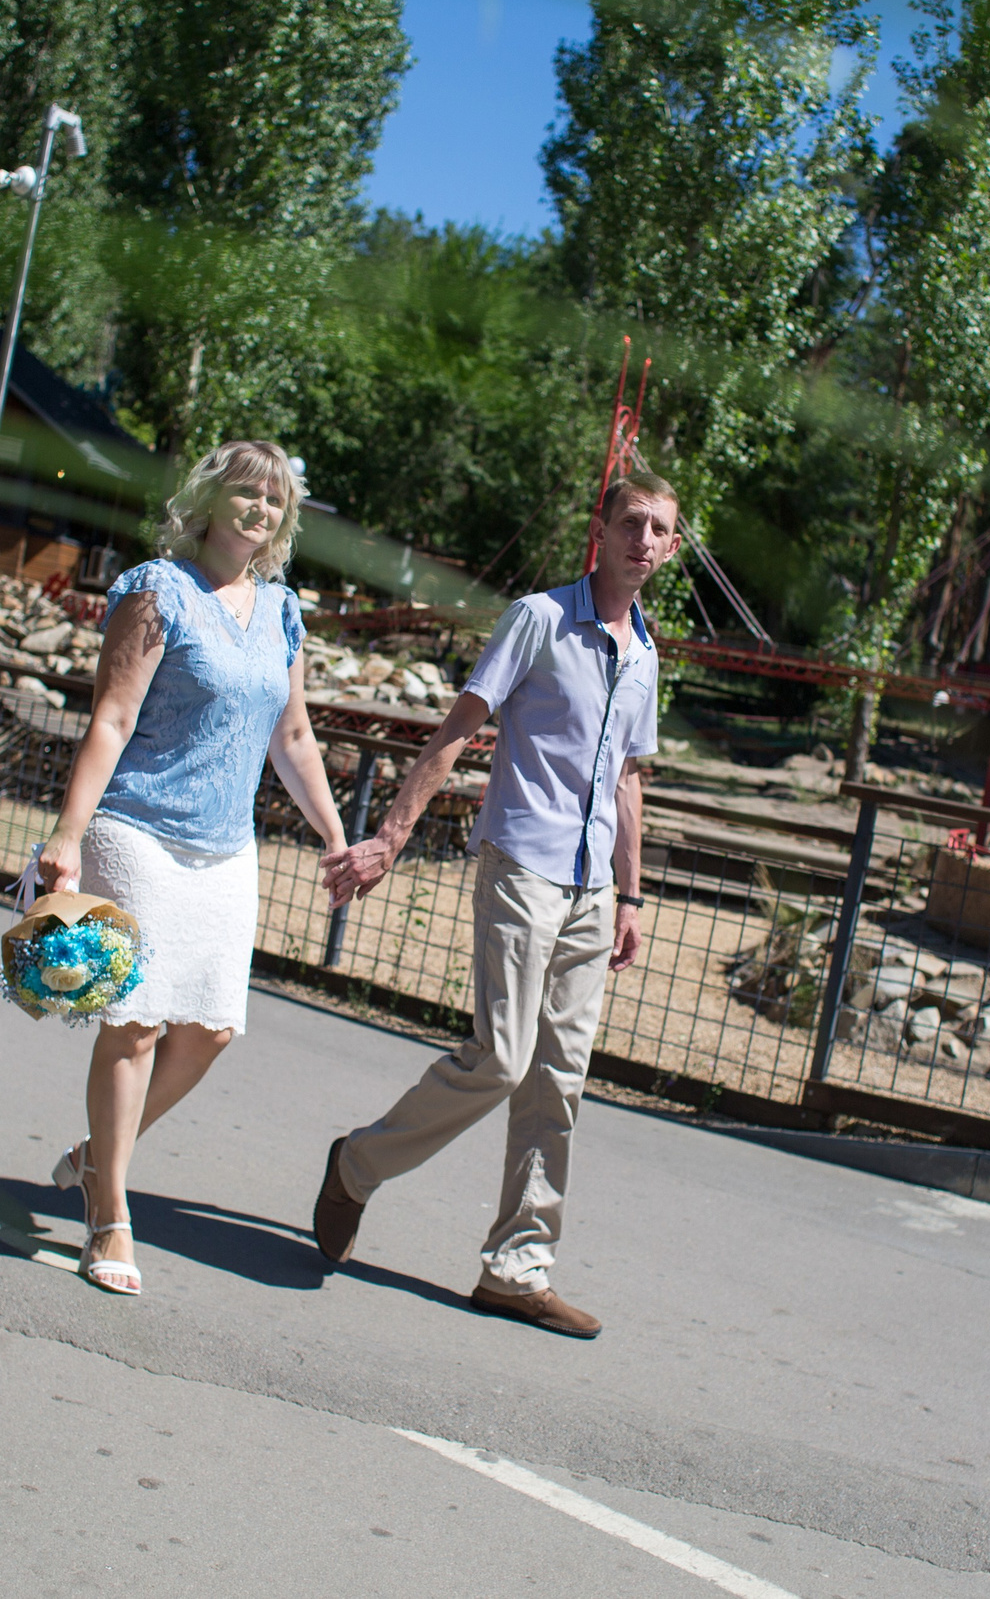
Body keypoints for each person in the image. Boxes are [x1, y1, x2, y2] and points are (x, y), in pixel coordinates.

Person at [313, 473, 684, 1338]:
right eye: (629, 520)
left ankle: (518, 1267)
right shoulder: (540, 618)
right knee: (505, 1058)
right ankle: (357, 1164)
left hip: (594, 887)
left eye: (658, 529)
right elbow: (459, 727)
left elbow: (629, 780)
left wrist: (631, 894)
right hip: (522, 859)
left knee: (561, 1079)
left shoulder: (646, 656)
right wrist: (392, 835)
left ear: (668, 550)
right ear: (602, 528)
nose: (641, 537)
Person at [36, 439, 351, 1295]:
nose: (258, 510)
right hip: (136, 828)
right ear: (209, 501)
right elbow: (112, 716)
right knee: (135, 1021)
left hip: (226, 848)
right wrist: (68, 832)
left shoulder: (283, 611)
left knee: (209, 1029)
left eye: (274, 500)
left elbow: (293, 739)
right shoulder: (156, 590)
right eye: (245, 494)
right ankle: (109, 1213)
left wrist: (331, 834)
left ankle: (97, 1153)